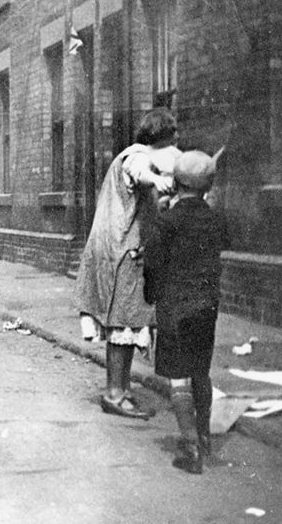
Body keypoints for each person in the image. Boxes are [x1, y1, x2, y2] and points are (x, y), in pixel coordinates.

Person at [74, 108, 181, 419]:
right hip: (120, 253)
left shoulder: (137, 156)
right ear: (159, 140)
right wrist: (158, 181)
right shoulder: (135, 156)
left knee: (127, 324)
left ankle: (121, 389)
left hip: (118, 249)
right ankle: (115, 393)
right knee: (122, 324)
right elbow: (139, 172)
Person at [143, 150, 228, 474]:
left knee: (178, 378)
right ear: (208, 185)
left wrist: (151, 296)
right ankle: (204, 435)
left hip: (174, 306)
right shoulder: (215, 218)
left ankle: (191, 446)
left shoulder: (167, 221)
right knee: (200, 371)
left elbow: (153, 264)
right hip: (206, 305)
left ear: (176, 183)